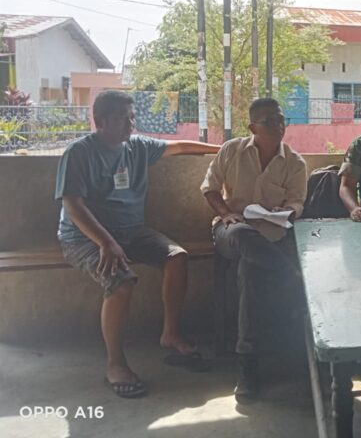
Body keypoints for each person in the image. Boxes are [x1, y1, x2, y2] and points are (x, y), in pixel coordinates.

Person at [55, 90, 220, 399]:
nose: (130, 125)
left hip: (131, 232)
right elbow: (73, 206)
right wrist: (106, 242)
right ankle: (115, 365)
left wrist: (224, 148)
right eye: (122, 119)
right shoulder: (79, 153)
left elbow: (180, 146)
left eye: (132, 118)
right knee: (121, 282)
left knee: (177, 257)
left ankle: (170, 333)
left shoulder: (138, 146)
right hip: (85, 238)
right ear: (100, 121)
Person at [201, 98, 307, 403]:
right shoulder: (232, 150)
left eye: (282, 119)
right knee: (244, 237)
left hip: (272, 235)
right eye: (270, 121)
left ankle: (247, 364)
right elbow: (209, 188)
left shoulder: (294, 162)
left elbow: (297, 203)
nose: (279, 126)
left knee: (250, 270)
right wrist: (225, 213)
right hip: (231, 230)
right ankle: (294, 278)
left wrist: (285, 212)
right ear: (252, 127)